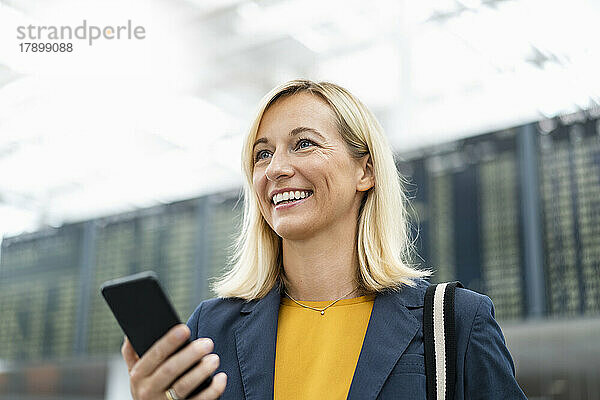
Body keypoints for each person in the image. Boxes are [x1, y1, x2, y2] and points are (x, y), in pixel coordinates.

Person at [121, 80, 527, 399]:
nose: (276, 168)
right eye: (262, 154)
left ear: (365, 171)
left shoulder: (453, 322)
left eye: (304, 144)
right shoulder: (210, 328)